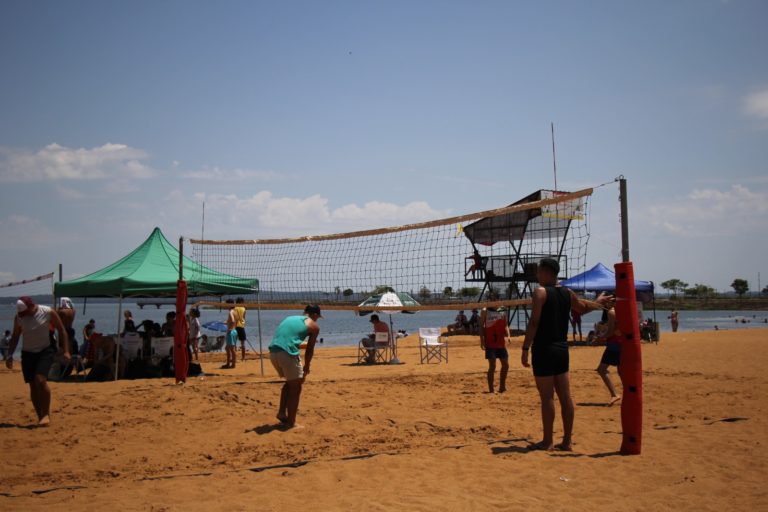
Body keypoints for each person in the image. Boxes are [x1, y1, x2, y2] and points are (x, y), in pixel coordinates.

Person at [521, 259, 614, 451]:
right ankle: (567, 441)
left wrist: (525, 348)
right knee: (565, 396)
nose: (537, 276)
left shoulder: (540, 292)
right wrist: (596, 303)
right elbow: (582, 308)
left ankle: (548, 441)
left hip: (544, 349)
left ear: (546, 272)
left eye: (539, 272)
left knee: (547, 397)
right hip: (562, 349)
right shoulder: (567, 292)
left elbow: (534, 323)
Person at [5, 296, 70, 426]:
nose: (23, 315)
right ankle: (40, 416)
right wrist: (10, 354)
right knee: (32, 385)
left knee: (40, 380)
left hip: (45, 350)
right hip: (28, 353)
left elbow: (62, 330)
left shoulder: (47, 312)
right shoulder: (19, 317)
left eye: (25, 312)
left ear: (31, 306)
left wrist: (66, 350)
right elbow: (16, 336)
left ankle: (46, 414)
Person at [268, 305, 322, 429]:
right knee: (296, 388)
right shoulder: (314, 326)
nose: (317, 320)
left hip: (273, 352)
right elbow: (310, 350)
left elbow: (286, 335)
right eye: (317, 317)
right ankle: (291, 423)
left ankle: (282, 413)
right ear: (314, 315)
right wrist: (307, 366)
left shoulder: (290, 317)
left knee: (290, 383)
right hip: (286, 353)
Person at [480, 307, 511, 393]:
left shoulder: (503, 310)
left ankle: (502, 387)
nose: (494, 300)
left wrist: (508, 335)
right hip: (490, 342)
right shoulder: (485, 310)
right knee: (492, 365)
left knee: (505, 364)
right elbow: (481, 326)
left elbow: (506, 325)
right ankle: (491, 389)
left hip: (501, 342)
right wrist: (482, 340)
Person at [595, 308, 621, 405]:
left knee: (601, 369)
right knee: (621, 371)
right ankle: (628, 395)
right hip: (622, 343)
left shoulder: (612, 312)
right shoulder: (624, 309)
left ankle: (614, 394)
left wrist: (600, 338)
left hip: (614, 345)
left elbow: (611, 332)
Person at [223, 299, 237, 369]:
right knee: (227, 348)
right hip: (234, 331)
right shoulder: (235, 311)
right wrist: (227, 322)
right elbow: (234, 321)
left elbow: (233, 320)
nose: (225, 306)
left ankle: (232, 364)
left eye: (226, 304)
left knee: (231, 349)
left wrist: (229, 324)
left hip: (231, 331)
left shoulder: (231, 312)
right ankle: (228, 363)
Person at [234, 297, 248, 361]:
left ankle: (234, 358)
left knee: (234, 343)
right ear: (241, 302)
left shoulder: (235, 308)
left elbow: (234, 317)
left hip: (235, 326)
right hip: (241, 326)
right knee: (243, 344)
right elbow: (244, 318)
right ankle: (243, 357)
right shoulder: (244, 308)